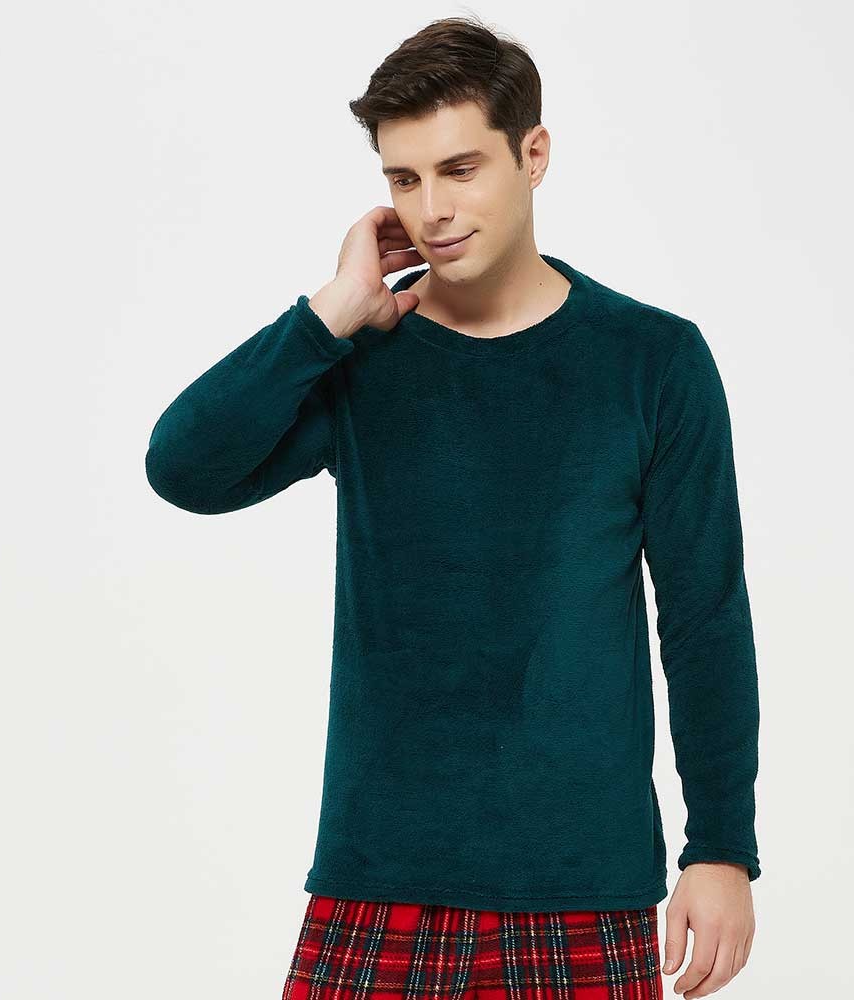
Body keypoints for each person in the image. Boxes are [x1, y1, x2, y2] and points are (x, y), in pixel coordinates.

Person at [145, 15, 760, 1000]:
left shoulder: (652, 361)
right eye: (403, 179)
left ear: (533, 155)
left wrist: (720, 846)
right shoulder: (362, 357)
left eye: (460, 169)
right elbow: (184, 468)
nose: (431, 208)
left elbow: (703, 618)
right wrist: (328, 314)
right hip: (379, 871)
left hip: (580, 879)